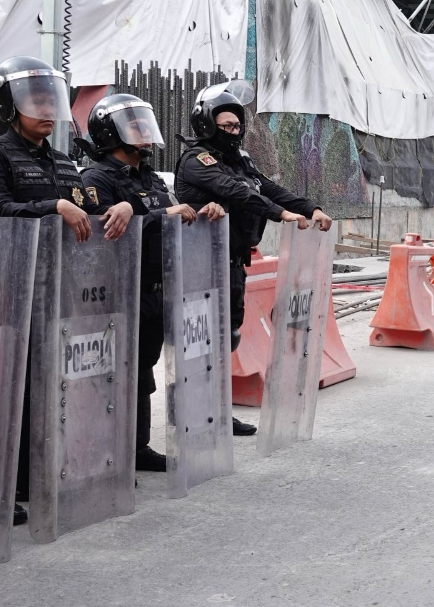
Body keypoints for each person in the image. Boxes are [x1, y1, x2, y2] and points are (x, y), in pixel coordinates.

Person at [0, 55, 94, 526]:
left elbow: (91, 210)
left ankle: (38, 475)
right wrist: (53, 205)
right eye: (33, 99)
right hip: (10, 287)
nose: (44, 107)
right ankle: (0, 488)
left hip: (60, 288)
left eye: (48, 98)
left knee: (51, 385)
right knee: (11, 389)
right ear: (9, 104)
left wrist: (122, 208)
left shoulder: (65, 162)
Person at [174, 81, 331, 436]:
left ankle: (214, 414)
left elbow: (265, 187)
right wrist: (280, 215)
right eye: (225, 126)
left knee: (224, 338)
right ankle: (189, 414)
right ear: (207, 125)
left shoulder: (241, 159)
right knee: (200, 341)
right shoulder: (197, 161)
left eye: (236, 125)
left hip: (231, 261)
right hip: (200, 265)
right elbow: (236, 192)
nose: (233, 131)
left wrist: (309, 207)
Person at [78, 94, 226, 471]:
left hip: (155, 289)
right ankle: (108, 451)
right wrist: (159, 212)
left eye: (144, 123)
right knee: (115, 374)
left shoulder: (150, 177)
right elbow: (103, 230)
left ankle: (137, 447)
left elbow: (171, 217)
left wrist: (203, 214)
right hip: (118, 291)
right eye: (134, 125)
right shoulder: (95, 178)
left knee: (142, 369)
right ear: (111, 133)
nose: (143, 131)